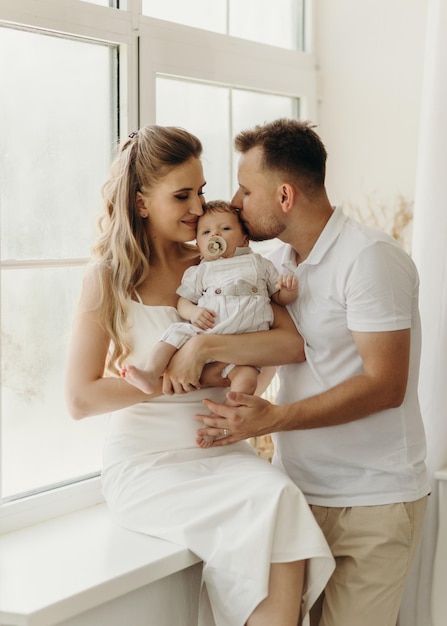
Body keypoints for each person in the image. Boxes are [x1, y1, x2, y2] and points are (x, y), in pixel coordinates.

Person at [65, 124, 335, 626]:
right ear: (142, 203)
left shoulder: (221, 261)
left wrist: (208, 350)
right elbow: (80, 399)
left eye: (203, 191)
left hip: (222, 449)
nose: (199, 209)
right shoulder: (107, 277)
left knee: (279, 498)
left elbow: (290, 342)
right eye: (182, 195)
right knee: (270, 510)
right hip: (148, 461)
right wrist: (186, 377)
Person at [193, 118, 431, 626]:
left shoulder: (370, 259)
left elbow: (384, 386)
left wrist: (271, 420)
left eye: (245, 189)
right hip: (298, 493)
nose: (234, 202)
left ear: (284, 195)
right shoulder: (274, 264)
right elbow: (270, 351)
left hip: (373, 502)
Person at [121, 199, 298, 448]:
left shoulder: (259, 263)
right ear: (200, 246)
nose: (215, 234)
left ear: (245, 239)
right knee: (175, 333)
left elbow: (278, 298)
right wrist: (193, 313)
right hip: (207, 327)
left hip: (243, 349)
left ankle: (219, 422)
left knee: (247, 381)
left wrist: (288, 290)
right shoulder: (202, 270)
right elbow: (183, 301)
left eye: (225, 229)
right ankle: (151, 373)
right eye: (205, 232)